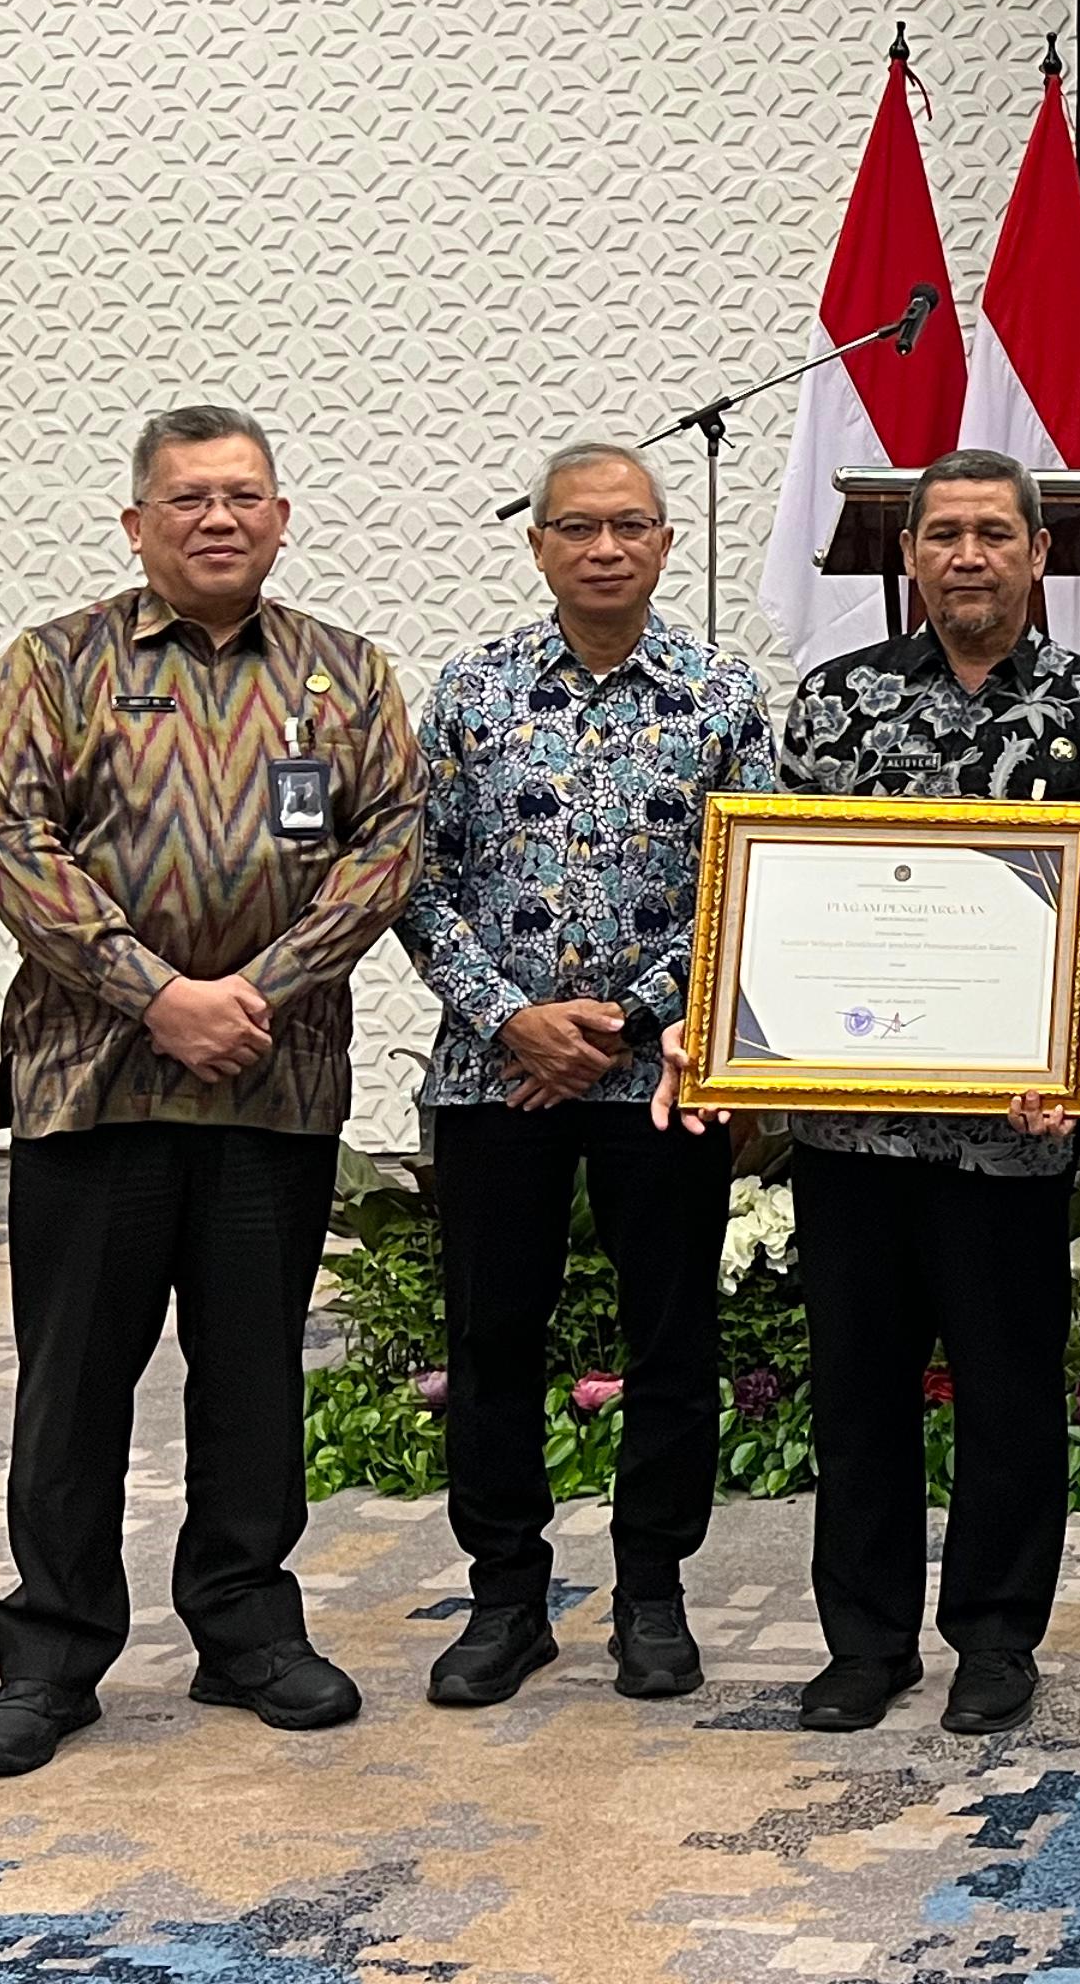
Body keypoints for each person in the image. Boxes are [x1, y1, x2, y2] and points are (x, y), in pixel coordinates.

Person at [0, 406, 423, 1777]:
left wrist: (256, 992)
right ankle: (51, 1657)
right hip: (92, 1082)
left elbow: (389, 846)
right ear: (136, 523)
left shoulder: (348, 674)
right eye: (189, 498)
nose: (219, 518)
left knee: (254, 1377)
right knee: (73, 1387)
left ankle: (247, 1630)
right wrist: (156, 994)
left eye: (243, 496)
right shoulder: (54, 665)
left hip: (273, 1083)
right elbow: (8, 843)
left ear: (282, 519)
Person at [753, 448, 1080, 1739]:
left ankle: (996, 1636)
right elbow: (788, 890)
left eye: (995, 532)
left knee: (1008, 1395)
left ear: (1039, 554)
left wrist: (1079, 1056)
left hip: (1013, 1136)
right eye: (944, 534)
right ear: (909, 554)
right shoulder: (837, 704)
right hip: (854, 1128)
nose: (969, 555)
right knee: (856, 1393)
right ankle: (865, 1642)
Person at [397, 441, 768, 1709]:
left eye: (628, 526)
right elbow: (415, 880)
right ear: (538, 544)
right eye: (577, 527)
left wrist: (620, 1022)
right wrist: (513, 1020)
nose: (604, 548)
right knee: (493, 1338)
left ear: (664, 542)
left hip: (658, 1076)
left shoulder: (724, 697)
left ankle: (652, 1593)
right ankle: (505, 1598)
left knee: (672, 1338)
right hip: (494, 1078)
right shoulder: (470, 691)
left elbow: (749, 881)